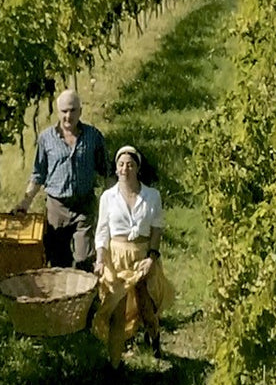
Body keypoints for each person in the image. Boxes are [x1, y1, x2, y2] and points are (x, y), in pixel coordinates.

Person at [92, 146, 174, 367]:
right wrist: (100, 259)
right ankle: (115, 365)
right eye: (121, 165)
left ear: (138, 167)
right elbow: (102, 232)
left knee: (147, 306)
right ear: (116, 168)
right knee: (118, 310)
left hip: (142, 257)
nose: (125, 169)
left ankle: (155, 344)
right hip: (117, 259)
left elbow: (157, 228)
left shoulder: (151, 196)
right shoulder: (108, 198)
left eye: (130, 164)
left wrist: (151, 257)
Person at [15, 89, 108, 272]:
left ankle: (88, 299)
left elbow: (106, 170)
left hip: (84, 207)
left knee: (85, 260)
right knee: (58, 262)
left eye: (73, 110)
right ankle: (63, 299)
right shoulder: (46, 139)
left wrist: (114, 204)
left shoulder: (93, 136)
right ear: (58, 113)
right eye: (64, 111)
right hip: (56, 209)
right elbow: (38, 174)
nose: (68, 115)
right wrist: (25, 202)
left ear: (80, 111)